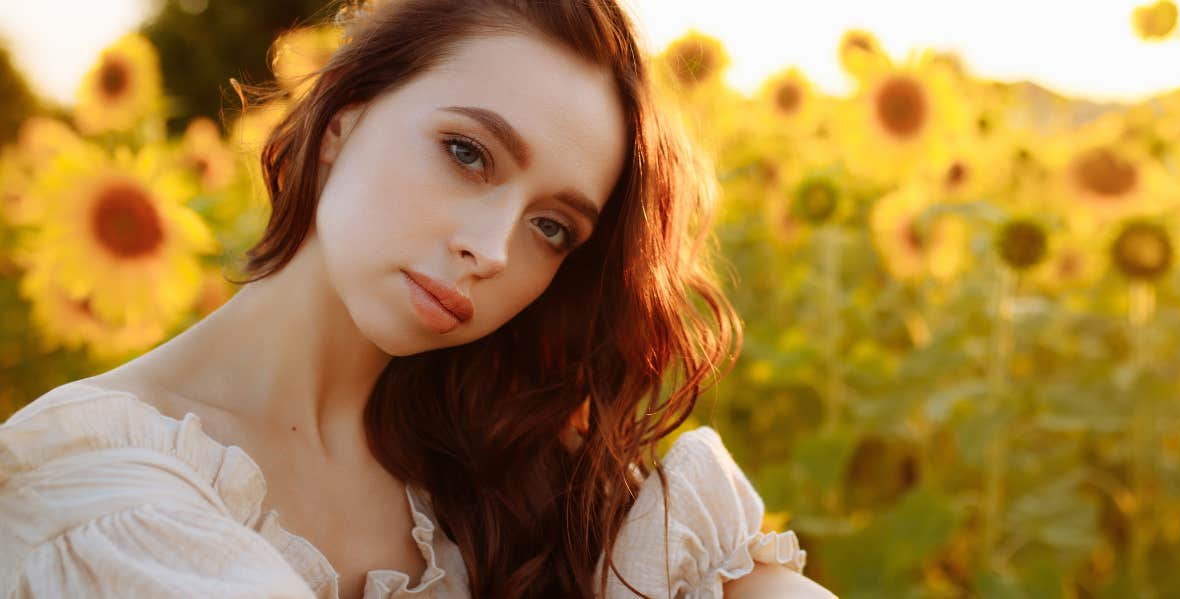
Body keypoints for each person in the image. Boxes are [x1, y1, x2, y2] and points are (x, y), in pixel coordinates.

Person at [0, 0, 837, 597]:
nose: (493, 247)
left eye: (553, 227)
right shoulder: (99, 491)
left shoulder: (510, 468)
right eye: (468, 153)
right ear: (344, 121)